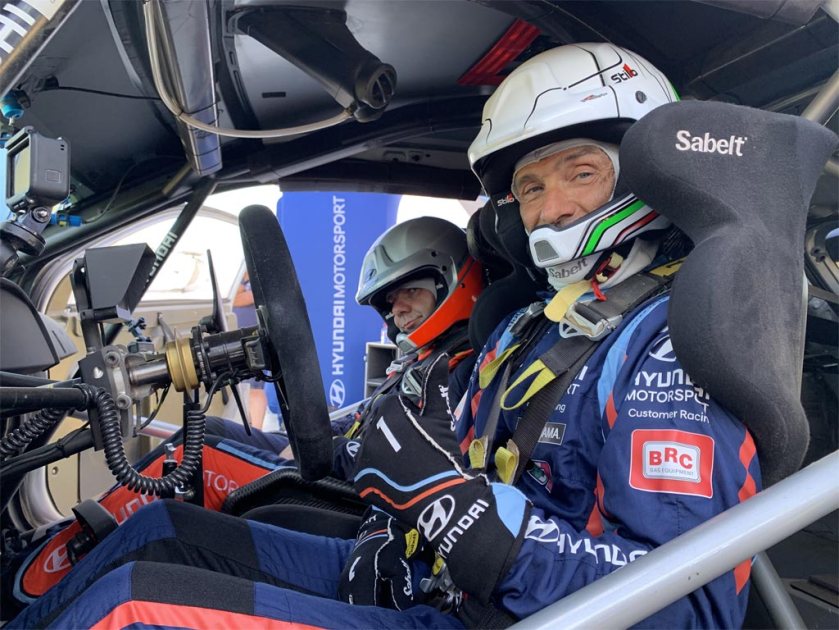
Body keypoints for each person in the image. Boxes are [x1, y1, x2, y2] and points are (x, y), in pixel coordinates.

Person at [8, 43, 759, 629]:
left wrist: (445, 501)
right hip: (413, 575)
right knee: (163, 527)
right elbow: (447, 458)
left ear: (646, 175)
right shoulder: (530, 325)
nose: (551, 207)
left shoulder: (668, 344)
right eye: (530, 187)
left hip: (481, 614)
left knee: (132, 609)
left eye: (580, 173)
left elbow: (681, 609)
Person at [3, 216, 482, 618]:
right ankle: (50, 563)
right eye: (390, 300)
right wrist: (319, 430)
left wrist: (322, 447)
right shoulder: (423, 359)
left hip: (344, 492)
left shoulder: (459, 370)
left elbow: (412, 460)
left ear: (451, 282)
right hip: (342, 473)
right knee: (203, 437)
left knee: (196, 460)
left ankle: (26, 585)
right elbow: (367, 416)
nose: (398, 310)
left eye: (411, 292)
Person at [232, 271, 268, 430]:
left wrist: (243, 293)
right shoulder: (240, 275)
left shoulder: (261, 274)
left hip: (255, 339)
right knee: (241, 386)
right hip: (236, 338)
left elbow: (242, 299)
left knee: (255, 387)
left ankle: (256, 430)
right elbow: (233, 299)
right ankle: (245, 428)